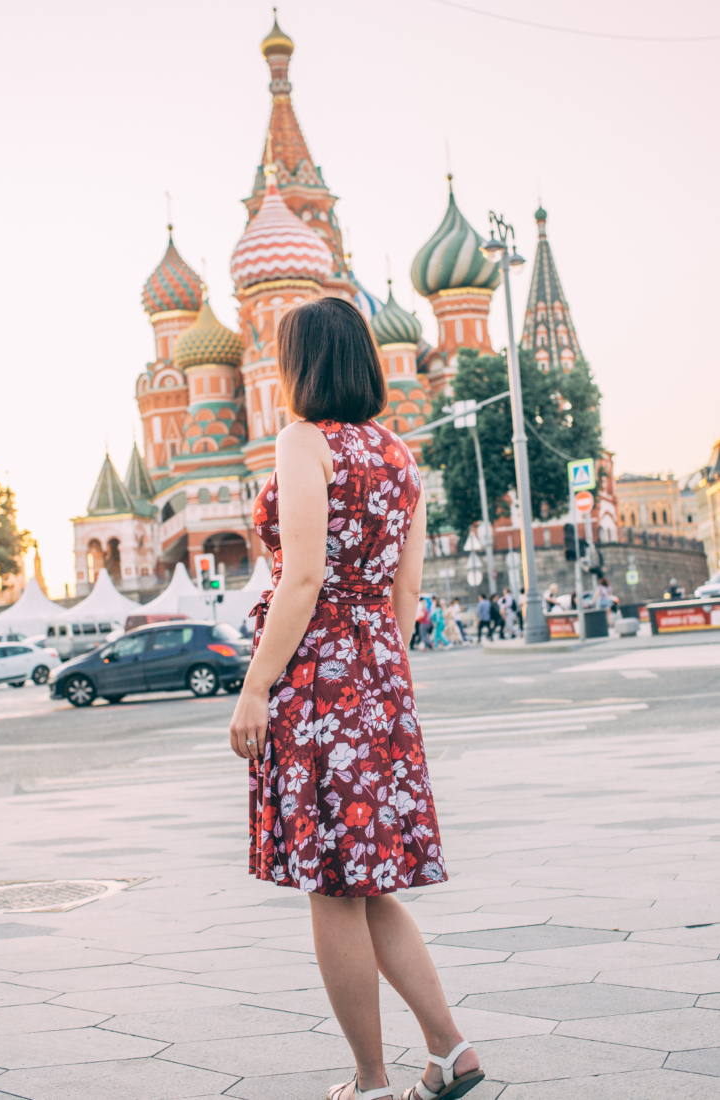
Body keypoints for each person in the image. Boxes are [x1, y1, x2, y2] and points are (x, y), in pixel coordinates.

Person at [228, 297, 484, 1100]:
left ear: (300, 364)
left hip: (316, 678)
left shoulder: (303, 440)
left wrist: (256, 686)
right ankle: (450, 1052)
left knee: (333, 890)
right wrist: (376, 675)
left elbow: (299, 578)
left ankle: (370, 1082)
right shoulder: (399, 455)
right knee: (367, 882)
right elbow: (407, 594)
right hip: (377, 677)